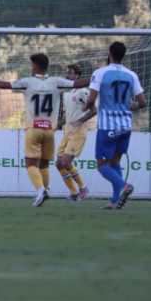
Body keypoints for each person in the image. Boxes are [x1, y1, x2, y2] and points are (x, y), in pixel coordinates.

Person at [0, 54, 88, 207]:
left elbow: (4, 85)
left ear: (35, 66)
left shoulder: (27, 82)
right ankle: (47, 188)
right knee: (45, 164)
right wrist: (99, 78)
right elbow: (79, 83)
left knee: (30, 163)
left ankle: (41, 190)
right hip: (49, 130)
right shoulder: (56, 82)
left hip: (34, 128)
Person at [83, 42, 146, 210]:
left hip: (108, 127)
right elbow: (142, 102)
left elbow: (90, 100)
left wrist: (86, 106)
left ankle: (125, 186)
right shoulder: (131, 74)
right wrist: (131, 106)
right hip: (125, 127)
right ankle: (115, 201)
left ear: (109, 53)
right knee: (114, 163)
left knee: (102, 166)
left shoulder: (100, 73)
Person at [55, 64, 96, 201]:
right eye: (65, 73)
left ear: (77, 76)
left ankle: (83, 188)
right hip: (67, 132)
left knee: (66, 162)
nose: (66, 75)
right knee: (59, 163)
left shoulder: (82, 92)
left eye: (70, 73)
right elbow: (68, 115)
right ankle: (73, 192)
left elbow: (93, 110)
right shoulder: (67, 92)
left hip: (78, 133)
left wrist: (80, 121)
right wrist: (57, 125)